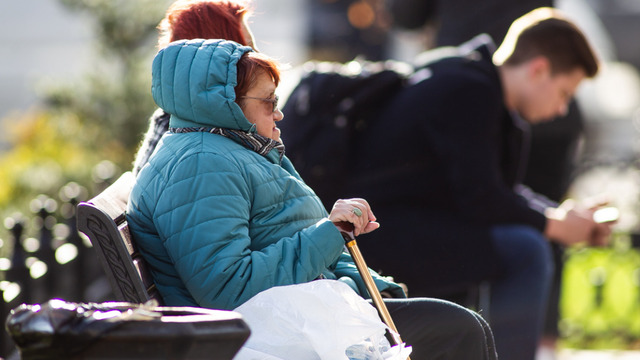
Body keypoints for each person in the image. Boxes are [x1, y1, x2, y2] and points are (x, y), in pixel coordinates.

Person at [127, 38, 498, 359]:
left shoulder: (229, 150)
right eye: (268, 103)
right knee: (459, 330)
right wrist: (331, 231)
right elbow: (229, 289)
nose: (280, 112)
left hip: (294, 322)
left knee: (464, 327)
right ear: (225, 103)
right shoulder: (201, 164)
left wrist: (368, 283)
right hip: (262, 339)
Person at [332, 8, 614, 360]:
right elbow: (482, 199)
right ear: (539, 69)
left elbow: (493, 189)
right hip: (378, 232)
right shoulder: (471, 91)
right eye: (564, 93)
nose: (561, 109)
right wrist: (555, 224)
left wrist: (557, 216)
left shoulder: (469, 74)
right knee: (525, 249)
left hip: (395, 224)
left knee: (518, 240)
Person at [132, 0, 257, 176]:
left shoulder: (206, 121)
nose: (259, 56)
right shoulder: (189, 131)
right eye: (248, 49)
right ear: (217, 55)